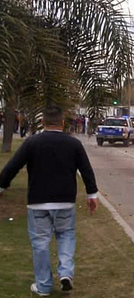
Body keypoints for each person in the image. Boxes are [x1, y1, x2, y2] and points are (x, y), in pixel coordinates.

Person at [0, 105, 99, 296]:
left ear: (43, 122)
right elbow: (86, 170)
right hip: (65, 201)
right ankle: (65, 274)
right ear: (62, 122)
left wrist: (2, 186)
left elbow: (13, 166)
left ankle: (44, 286)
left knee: (40, 243)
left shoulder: (32, 143)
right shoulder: (73, 144)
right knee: (66, 236)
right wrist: (91, 195)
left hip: (38, 202)